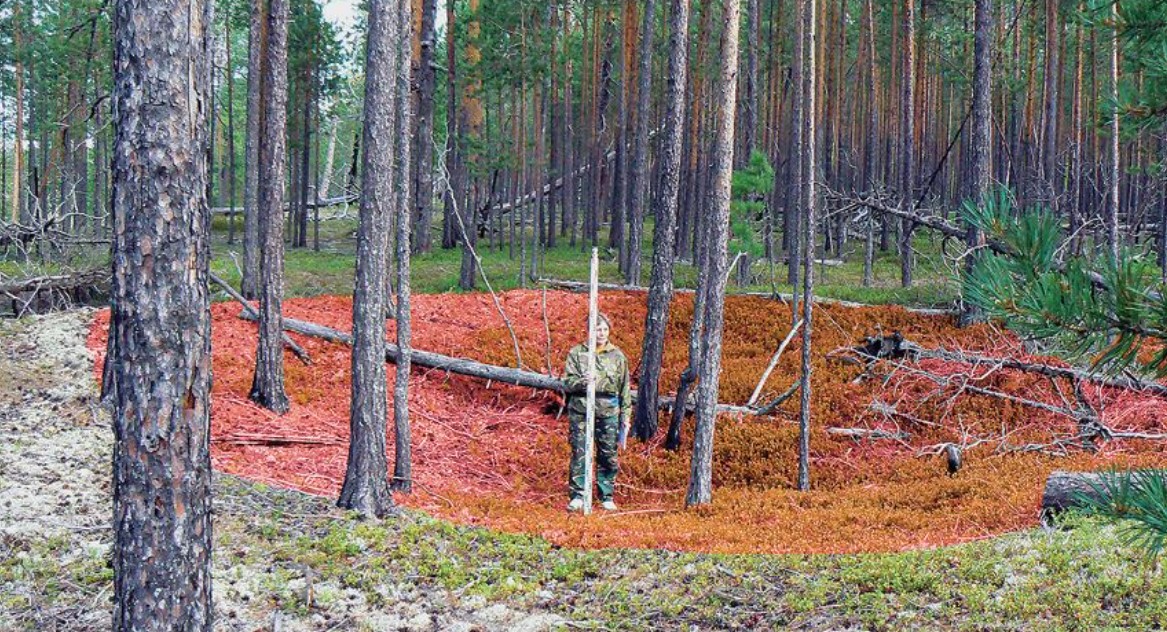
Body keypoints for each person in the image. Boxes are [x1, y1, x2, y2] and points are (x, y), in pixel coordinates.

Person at [562, 313, 631, 512]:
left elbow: (624, 389)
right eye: (597, 329)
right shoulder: (577, 353)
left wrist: (625, 416)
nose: (601, 333)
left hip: (608, 412)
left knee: (608, 454)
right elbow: (567, 383)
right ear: (589, 330)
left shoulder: (617, 356)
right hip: (581, 410)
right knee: (580, 452)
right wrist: (582, 382)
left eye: (604, 329)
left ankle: (606, 495)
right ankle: (578, 495)